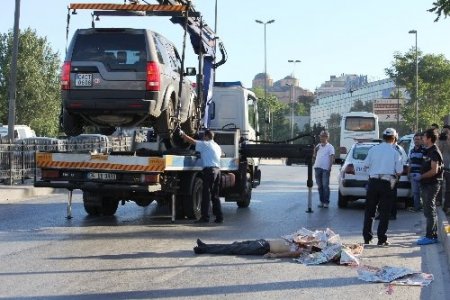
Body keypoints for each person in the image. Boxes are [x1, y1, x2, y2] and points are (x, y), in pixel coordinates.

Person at [362, 128, 403, 246]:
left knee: (369, 211)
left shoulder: (373, 149)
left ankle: (367, 238)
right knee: (384, 212)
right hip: (387, 183)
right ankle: (381, 239)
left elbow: (365, 165)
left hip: (373, 182)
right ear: (394, 138)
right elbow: (399, 171)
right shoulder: (396, 152)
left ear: (383, 137)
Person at [180, 129, 223, 224]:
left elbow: (192, 141)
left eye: (204, 136)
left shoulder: (205, 144)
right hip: (217, 171)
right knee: (215, 195)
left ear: (207, 136)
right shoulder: (217, 146)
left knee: (206, 195)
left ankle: (205, 218)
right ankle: (219, 217)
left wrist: (183, 134)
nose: (203, 138)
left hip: (210, 171)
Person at [413, 128, 443, 245]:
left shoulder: (434, 152)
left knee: (430, 210)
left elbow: (434, 170)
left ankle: (431, 236)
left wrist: (421, 176)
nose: (422, 139)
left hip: (431, 184)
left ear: (429, 138)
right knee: (427, 210)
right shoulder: (427, 150)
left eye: (424, 137)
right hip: (426, 184)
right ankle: (430, 235)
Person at [193, 238, 303, 258]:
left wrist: (275, 255)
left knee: (233, 249)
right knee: (233, 245)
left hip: (263, 247)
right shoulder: (301, 241)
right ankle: (205, 246)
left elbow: (292, 254)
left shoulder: (304, 250)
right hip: (263, 242)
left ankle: (203, 249)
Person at [313, 130, 335, 208]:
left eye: (323, 136)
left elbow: (332, 158)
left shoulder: (330, 147)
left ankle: (326, 202)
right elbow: (315, 156)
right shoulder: (318, 146)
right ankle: (321, 201)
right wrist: (314, 150)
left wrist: (329, 167)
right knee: (319, 186)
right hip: (317, 167)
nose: (321, 138)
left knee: (325, 186)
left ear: (327, 137)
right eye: (321, 136)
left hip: (325, 169)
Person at [407, 132, 426, 212]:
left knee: (423, 192)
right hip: (413, 174)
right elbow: (410, 163)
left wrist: (423, 174)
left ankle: (425, 208)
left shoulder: (424, 150)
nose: (416, 141)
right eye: (415, 140)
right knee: (415, 192)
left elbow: (425, 163)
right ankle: (417, 207)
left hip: (421, 174)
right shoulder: (411, 151)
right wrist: (408, 173)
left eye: (418, 139)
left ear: (421, 140)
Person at [438, 125, 450, 214]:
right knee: (439, 185)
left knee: (448, 189)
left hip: (449, 168)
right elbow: (439, 151)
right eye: (444, 131)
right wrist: (441, 141)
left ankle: (447, 206)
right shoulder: (441, 141)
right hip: (442, 166)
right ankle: (438, 202)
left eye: (447, 132)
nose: (445, 133)